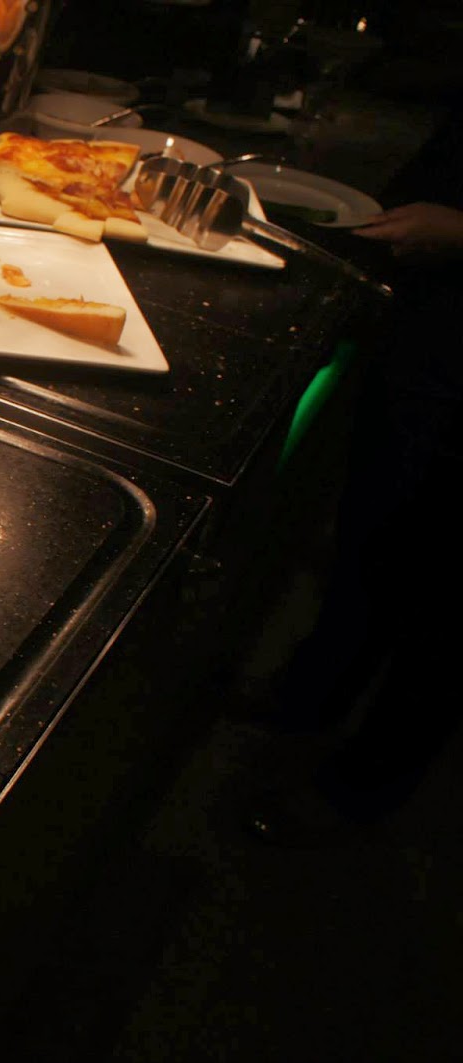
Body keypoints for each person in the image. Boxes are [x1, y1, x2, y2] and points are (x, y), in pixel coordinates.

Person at [245, 105, 463, 846]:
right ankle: (309, 694)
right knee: (375, 530)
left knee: (447, 607)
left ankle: (360, 790)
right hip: (430, 325)